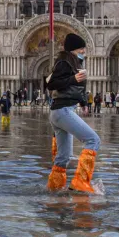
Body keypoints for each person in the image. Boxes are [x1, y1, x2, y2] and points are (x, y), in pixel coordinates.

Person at [46, 33, 101, 193]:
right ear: (73, 49)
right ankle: (81, 182)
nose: (84, 51)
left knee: (63, 156)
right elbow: (51, 84)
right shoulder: (63, 62)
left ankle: (54, 187)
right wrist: (73, 79)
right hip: (62, 111)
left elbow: (75, 89)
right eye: (81, 48)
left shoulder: (72, 63)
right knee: (93, 140)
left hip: (60, 111)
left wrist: (83, 103)